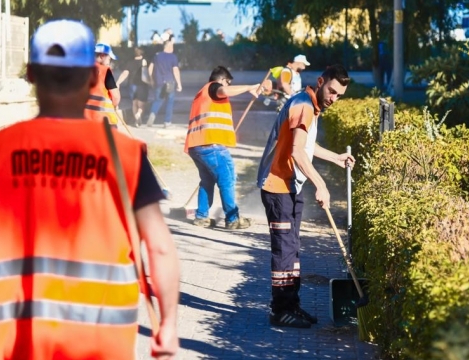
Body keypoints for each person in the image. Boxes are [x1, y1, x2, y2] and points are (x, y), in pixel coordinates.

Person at [0, 19, 180, 360]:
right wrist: (168, 324)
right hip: (103, 348)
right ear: (94, 76)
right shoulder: (126, 156)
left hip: (14, 348)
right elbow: (160, 249)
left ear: (31, 75)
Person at [256, 64, 355, 328]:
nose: (334, 99)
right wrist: (321, 184)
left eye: (339, 96)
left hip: (290, 187)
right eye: (332, 91)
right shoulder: (304, 106)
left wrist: (336, 157)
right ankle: (280, 310)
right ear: (321, 82)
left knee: (292, 249)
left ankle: (292, 305)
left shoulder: (310, 106)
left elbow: (307, 146)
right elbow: (297, 153)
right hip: (277, 187)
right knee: (284, 250)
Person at [184, 66, 266, 230]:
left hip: (197, 145)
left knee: (207, 181)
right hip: (211, 145)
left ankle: (201, 217)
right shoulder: (213, 87)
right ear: (221, 80)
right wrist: (250, 87)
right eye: (228, 83)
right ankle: (232, 219)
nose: (228, 86)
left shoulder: (202, 93)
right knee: (227, 180)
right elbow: (225, 91)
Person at [146, 39, 181, 128]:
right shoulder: (173, 57)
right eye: (172, 46)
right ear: (169, 47)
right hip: (170, 82)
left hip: (158, 82)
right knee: (170, 102)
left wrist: (151, 79)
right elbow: (175, 70)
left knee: (157, 100)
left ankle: (152, 116)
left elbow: (150, 68)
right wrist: (179, 83)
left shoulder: (157, 56)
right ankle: (167, 122)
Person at [84, 42, 121, 128]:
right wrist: (115, 104)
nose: (110, 62)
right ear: (102, 56)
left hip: (85, 120)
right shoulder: (105, 71)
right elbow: (115, 97)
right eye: (109, 59)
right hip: (104, 121)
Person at [117, 47, 150, 122]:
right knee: (141, 105)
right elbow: (146, 74)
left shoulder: (130, 63)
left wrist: (118, 82)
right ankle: (138, 115)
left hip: (132, 85)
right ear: (142, 53)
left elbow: (125, 73)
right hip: (142, 85)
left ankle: (136, 119)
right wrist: (150, 82)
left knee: (134, 103)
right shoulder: (144, 62)